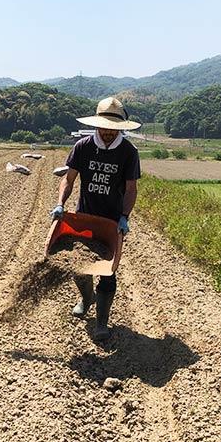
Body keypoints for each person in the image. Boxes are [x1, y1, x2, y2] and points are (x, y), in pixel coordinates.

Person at [50, 97, 141, 340]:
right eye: (104, 127)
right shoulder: (83, 147)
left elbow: (131, 190)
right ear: (96, 125)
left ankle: (102, 322)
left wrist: (124, 216)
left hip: (111, 224)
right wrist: (60, 204)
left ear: (120, 128)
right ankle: (86, 297)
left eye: (113, 129)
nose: (108, 132)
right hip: (85, 218)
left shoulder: (129, 153)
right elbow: (68, 179)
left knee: (108, 272)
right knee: (79, 267)